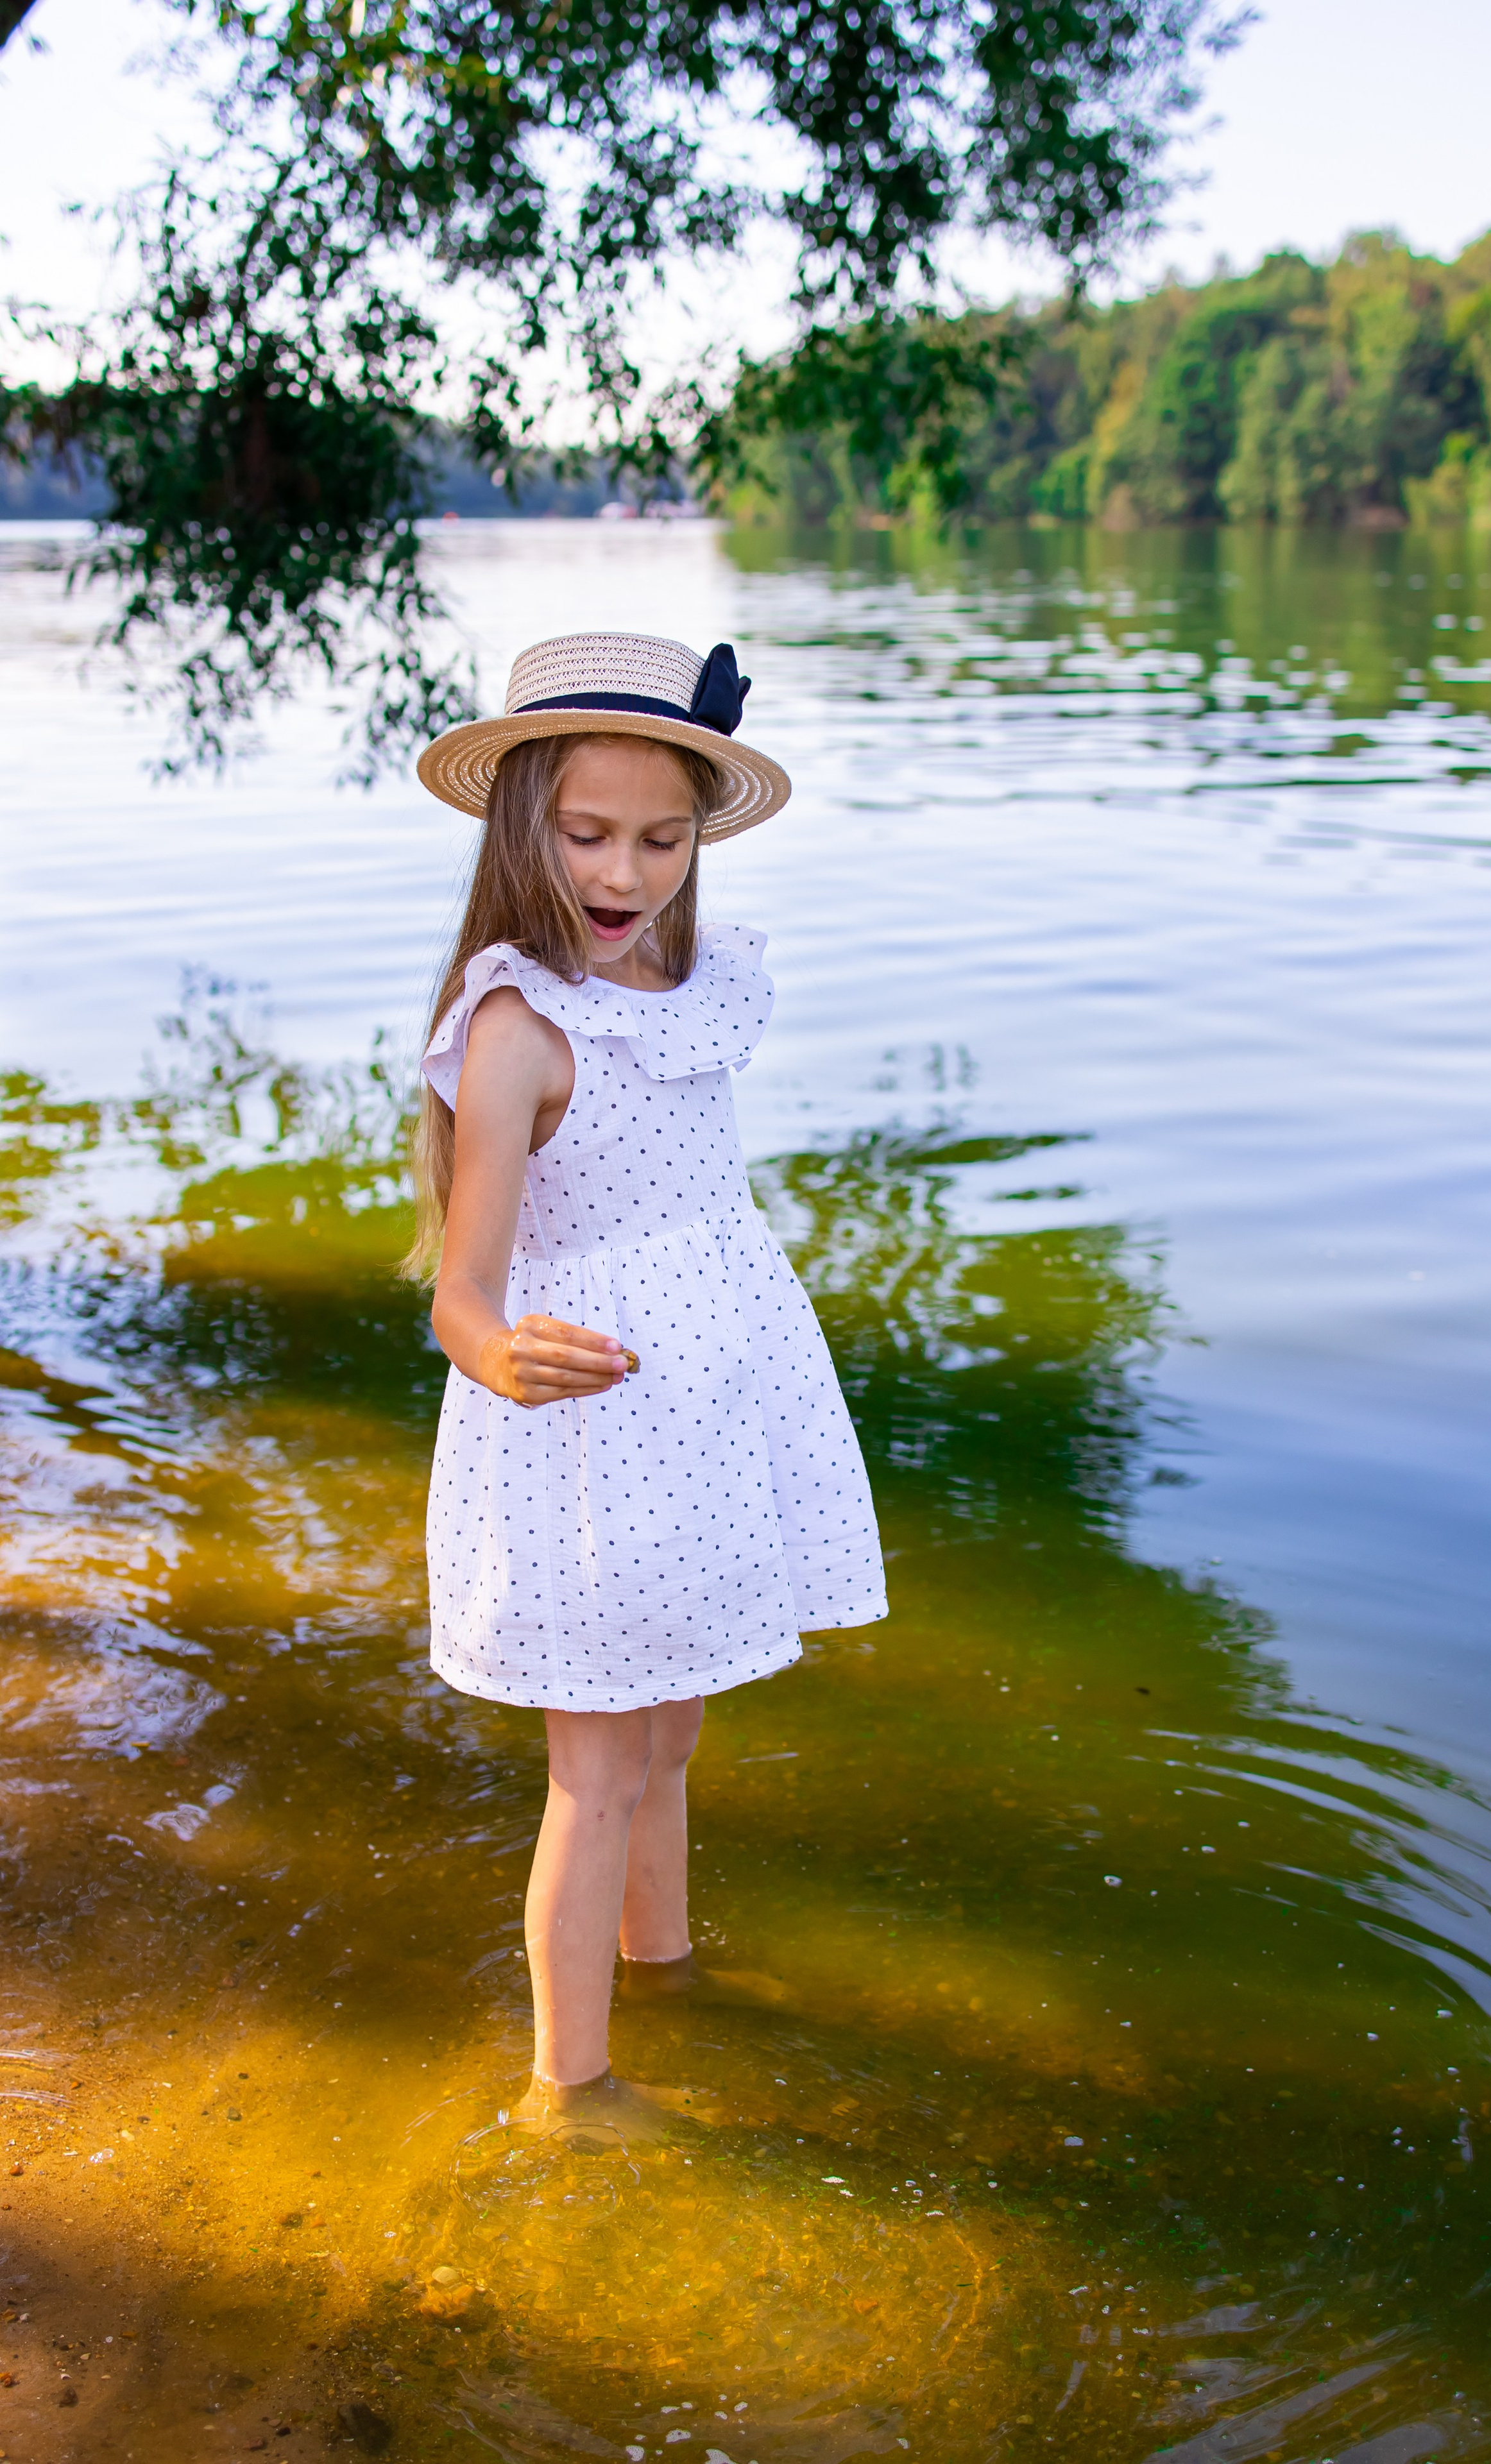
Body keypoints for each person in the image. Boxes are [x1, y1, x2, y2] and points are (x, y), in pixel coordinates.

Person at [408, 631, 887, 2141]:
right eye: (590, 835)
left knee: (673, 1730)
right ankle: (571, 2082)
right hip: (588, 1432)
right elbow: (459, 1290)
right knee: (599, 1762)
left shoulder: (691, 986)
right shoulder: (514, 1030)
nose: (626, 873)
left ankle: (664, 1969)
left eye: (662, 839)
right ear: (522, 826)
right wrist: (493, 1352)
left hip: (709, 1410)